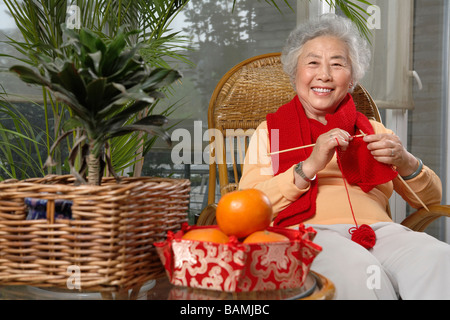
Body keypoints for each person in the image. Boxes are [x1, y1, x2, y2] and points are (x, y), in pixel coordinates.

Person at [239, 14, 450, 300]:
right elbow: (248, 204)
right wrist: (308, 166)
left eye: (337, 64)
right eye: (312, 63)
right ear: (295, 73)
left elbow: (431, 199)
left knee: (439, 258)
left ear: (351, 78)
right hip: (310, 235)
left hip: (380, 233)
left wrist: (405, 161)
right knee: (360, 271)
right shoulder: (270, 132)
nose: (324, 74)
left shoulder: (373, 131)